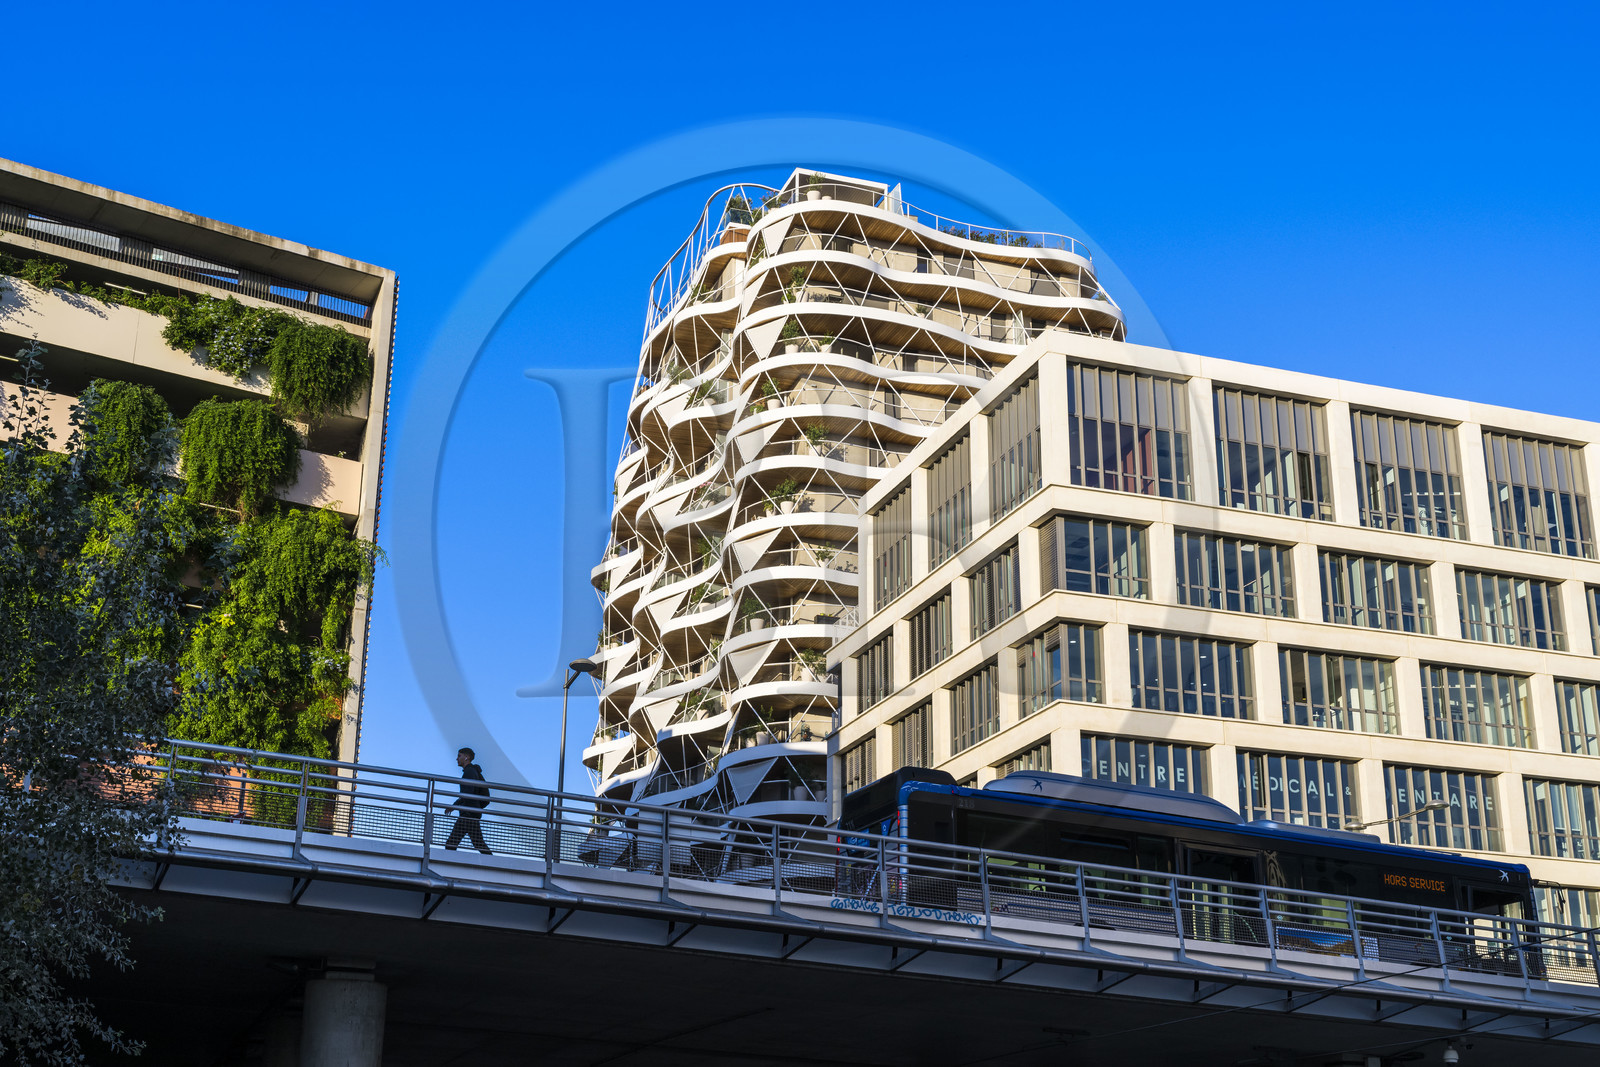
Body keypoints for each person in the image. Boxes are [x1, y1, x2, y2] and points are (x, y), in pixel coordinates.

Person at [444, 747, 491, 854]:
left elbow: (467, 793)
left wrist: (454, 806)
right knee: (478, 843)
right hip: (472, 812)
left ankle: (449, 868)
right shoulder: (473, 771)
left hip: (468, 813)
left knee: (450, 844)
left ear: (467, 757)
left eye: (459, 756)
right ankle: (495, 864)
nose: (457, 759)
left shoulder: (469, 772)